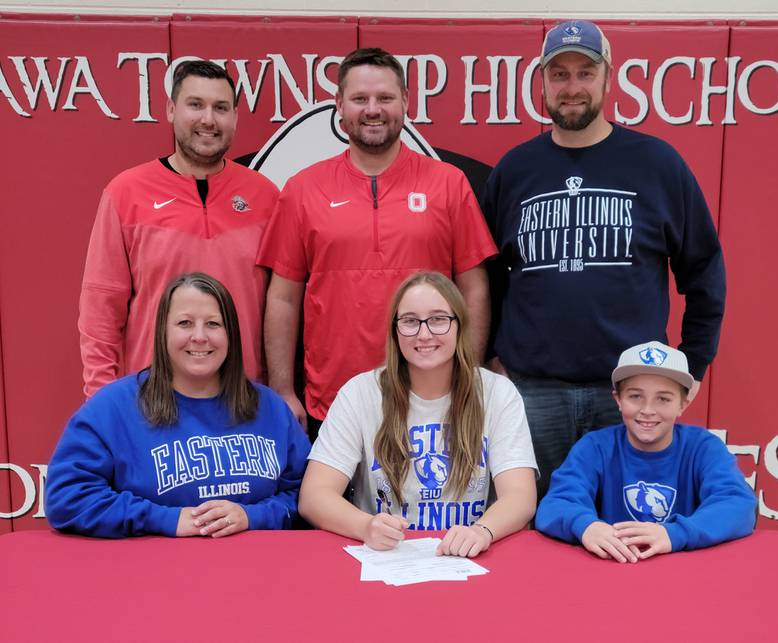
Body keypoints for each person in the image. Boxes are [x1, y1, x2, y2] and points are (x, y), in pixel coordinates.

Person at [482, 20, 726, 497]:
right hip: (532, 391)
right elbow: (486, 276)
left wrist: (692, 364)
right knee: (529, 526)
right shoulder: (515, 170)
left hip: (630, 391)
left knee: (627, 523)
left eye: (585, 73)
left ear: (608, 79)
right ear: (543, 83)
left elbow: (704, 271)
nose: (572, 87)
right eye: (559, 75)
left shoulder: (657, 163)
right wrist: (489, 356)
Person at [258, 48, 497, 437]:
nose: (373, 109)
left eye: (385, 98)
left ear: (405, 101)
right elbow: (283, 297)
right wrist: (283, 390)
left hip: (433, 395)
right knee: (333, 501)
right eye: (360, 99)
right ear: (339, 106)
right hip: (334, 400)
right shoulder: (303, 189)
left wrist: (467, 374)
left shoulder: (448, 183)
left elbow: (474, 286)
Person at [47, 273, 310, 538]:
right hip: (152, 571)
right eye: (185, 323)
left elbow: (309, 497)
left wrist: (252, 516)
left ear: (231, 333)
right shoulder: (113, 407)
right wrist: (166, 519)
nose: (199, 336)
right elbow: (67, 497)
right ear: (163, 331)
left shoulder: (271, 409)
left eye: (213, 324)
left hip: (255, 570)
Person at [298, 272, 537, 557]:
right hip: (387, 557)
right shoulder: (360, 393)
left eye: (438, 319)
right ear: (394, 331)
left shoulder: (497, 392)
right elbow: (314, 496)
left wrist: (481, 531)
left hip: (469, 555)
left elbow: (520, 496)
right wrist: (365, 526)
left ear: (460, 325)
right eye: (410, 321)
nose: (424, 334)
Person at [79, 60, 278, 398]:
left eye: (221, 108)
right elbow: (101, 308)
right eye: (195, 105)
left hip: (242, 399)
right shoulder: (126, 193)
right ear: (171, 109)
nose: (208, 120)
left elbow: (283, 309)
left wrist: (279, 391)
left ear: (235, 117)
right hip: (153, 398)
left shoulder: (266, 196)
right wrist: (101, 399)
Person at [535, 341, 755, 563]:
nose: (648, 410)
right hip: (613, 569)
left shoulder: (704, 447)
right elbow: (554, 504)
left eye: (663, 399)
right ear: (618, 400)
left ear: (683, 404)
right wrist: (586, 526)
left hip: (684, 570)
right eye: (635, 396)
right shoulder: (595, 447)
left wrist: (675, 533)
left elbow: (738, 505)